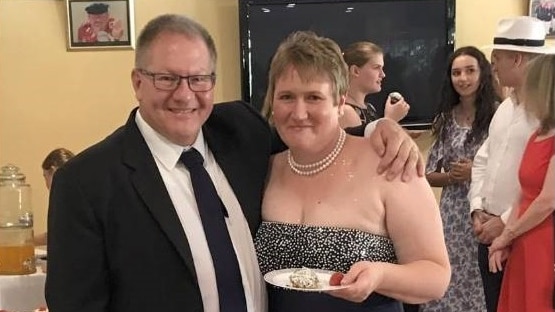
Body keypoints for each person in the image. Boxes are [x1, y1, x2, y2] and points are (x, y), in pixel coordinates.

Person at [45, 14, 423, 312]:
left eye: (198, 79)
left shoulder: (241, 131)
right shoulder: (86, 183)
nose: (184, 95)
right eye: (166, 78)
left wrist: (379, 127)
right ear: (137, 81)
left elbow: (311, 136)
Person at [255, 31, 450, 312]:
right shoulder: (267, 168)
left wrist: (380, 275)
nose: (298, 113)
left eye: (313, 97)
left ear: (339, 101)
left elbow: (436, 276)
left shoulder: (389, 163)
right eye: (287, 97)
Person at [468, 16, 555, 312]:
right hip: (489, 230)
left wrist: (504, 224)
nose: (493, 66)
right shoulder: (504, 107)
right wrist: (477, 207)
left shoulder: (544, 117)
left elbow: (543, 190)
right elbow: (483, 159)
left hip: (525, 234)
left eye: (497, 59)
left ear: (516, 59)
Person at [422, 46, 498, 312]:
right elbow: (428, 175)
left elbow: (510, 172)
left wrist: (474, 171)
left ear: (483, 74)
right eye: (456, 73)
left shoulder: (499, 116)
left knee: (481, 283)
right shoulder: (445, 119)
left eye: (470, 71)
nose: (463, 78)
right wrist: (452, 178)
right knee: (446, 279)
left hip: (487, 215)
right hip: (452, 218)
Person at [488, 53, 555, 312]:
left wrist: (507, 235)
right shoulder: (538, 134)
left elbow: (547, 201)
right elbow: (522, 194)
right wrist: (507, 238)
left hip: (544, 242)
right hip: (523, 238)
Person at [341, 41, 410, 128]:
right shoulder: (346, 112)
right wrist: (390, 120)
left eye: (382, 68)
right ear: (355, 71)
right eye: (376, 68)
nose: (383, 74)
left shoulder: (369, 107)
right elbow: (368, 141)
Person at [33, 148, 75, 246]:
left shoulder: (65, 199)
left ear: (53, 171)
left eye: (45, 176)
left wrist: (26, 242)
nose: (46, 184)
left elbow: (55, 236)